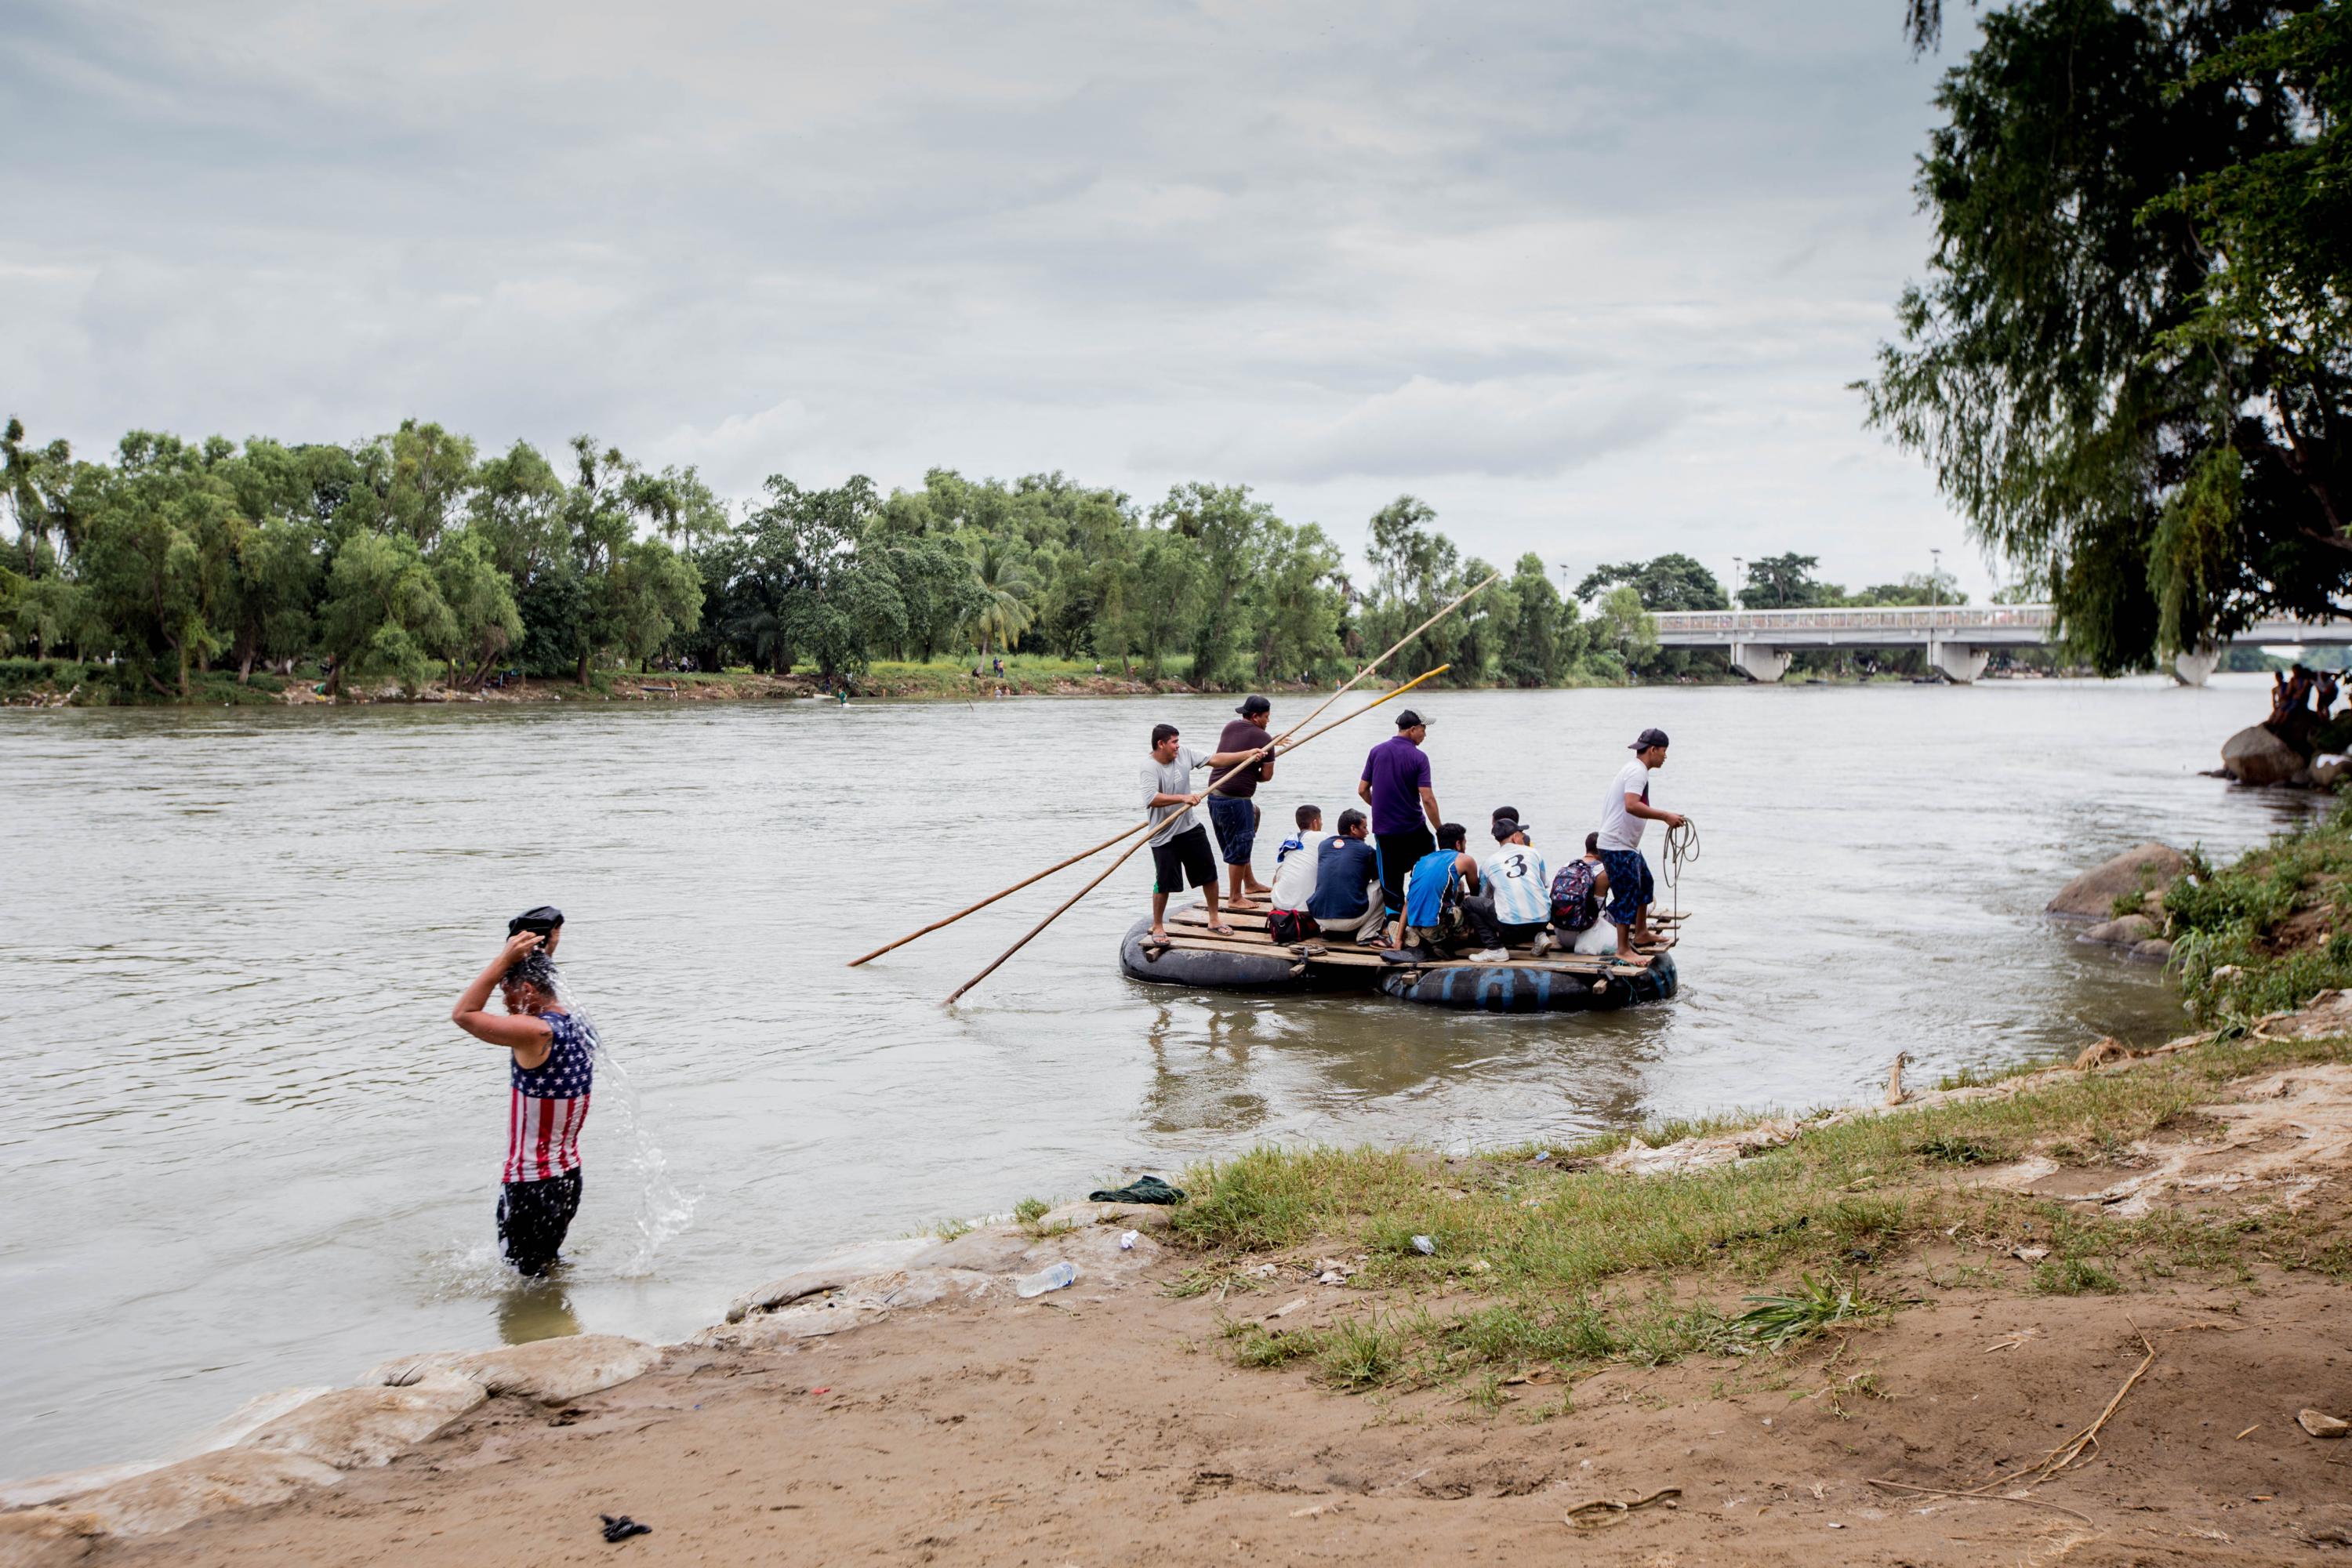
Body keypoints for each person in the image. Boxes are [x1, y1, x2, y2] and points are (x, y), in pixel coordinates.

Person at [451, 926, 596, 1278]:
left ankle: (535, 1330)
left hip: (531, 1184)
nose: (503, 1003)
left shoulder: (536, 1033)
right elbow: (541, 992)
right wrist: (542, 957)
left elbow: (464, 1014)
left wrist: (503, 960)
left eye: (506, 993)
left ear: (528, 990)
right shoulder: (575, 1022)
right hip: (567, 1178)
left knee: (524, 1278)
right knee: (546, 1268)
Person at [1142, 722, 1276, 942]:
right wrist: (1183, 798)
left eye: (1178, 741)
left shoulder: (1184, 754)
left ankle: (1214, 920)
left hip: (1189, 827)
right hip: (1163, 834)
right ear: (1161, 744)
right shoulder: (1149, 767)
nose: (1178, 746)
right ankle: (1158, 926)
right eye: (1174, 742)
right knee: (1164, 882)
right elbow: (1151, 798)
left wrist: (1247, 754)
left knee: (1209, 873)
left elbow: (1215, 759)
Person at [1598, 727, 1686, 968]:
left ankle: (1642, 932)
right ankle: (1623, 949)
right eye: (1664, 752)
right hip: (1617, 845)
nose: (1665, 757)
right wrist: (1665, 815)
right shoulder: (1637, 772)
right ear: (1654, 750)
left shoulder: (1636, 770)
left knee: (1645, 882)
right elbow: (1631, 805)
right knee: (1627, 894)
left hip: (1627, 845)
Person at [1359, 709, 1443, 943]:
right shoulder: (1419, 757)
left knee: (1392, 885)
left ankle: (1395, 928)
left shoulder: (1376, 752)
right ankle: (1425, 922)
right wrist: (1440, 829)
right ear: (1413, 729)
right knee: (1428, 874)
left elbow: (1362, 790)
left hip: (1386, 833)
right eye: (1424, 730)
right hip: (1415, 831)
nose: (1425, 735)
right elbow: (1427, 798)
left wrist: (1381, 807)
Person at [1207, 695, 1279, 909]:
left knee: (1240, 842)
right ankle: (1235, 897)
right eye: (1266, 717)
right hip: (1235, 801)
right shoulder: (1265, 739)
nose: (1268, 721)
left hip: (1214, 796)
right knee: (1239, 845)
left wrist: (1249, 766)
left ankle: (1250, 884)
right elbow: (1267, 776)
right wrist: (1253, 770)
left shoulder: (1230, 727)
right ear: (1255, 716)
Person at [1387, 822, 1479, 961]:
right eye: (1464, 843)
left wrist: (1398, 941)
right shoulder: (1465, 860)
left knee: (1456, 884)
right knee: (1468, 906)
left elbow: (1408, 902)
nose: (1465, 847)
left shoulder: (1422, 861)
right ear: (1458, 844)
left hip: (1415, 923)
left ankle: (1415, 936)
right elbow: (1475, 894)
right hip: (1435, 927)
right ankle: (1442, 942)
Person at [1463, 817, 1551, 963]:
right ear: (1515, 837)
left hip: (1510, 927)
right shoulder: (1534, 853)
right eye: (1521, 834)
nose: (1523, 837)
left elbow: (1484, 897)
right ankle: (1539, 936)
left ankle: (1495, 948)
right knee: (1537, 896)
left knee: (1470, 903)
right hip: (1543, 920)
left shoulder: (1488, 863)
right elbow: (1544, 884)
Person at [1305, 808, 1389, 945]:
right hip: (1350, 920)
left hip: (1319, 917)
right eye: (1365, 827)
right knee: (1386, 884)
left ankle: (1328, 930)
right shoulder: (1366, 850)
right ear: (1353, 829)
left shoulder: (1324, 846)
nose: (1367, 832)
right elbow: (1377, 879)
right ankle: (1368, 934)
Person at [1552, 833, 1620, 956]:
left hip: (1561, 935)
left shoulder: (1567, 866)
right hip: (1590, 938)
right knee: (1636, 900)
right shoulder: (1604, 871)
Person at [1266, 804, 1323, 945]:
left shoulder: (1291, 840)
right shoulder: (1322, 837)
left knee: (1281, 870)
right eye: (1321, 820)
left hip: (1280, 905)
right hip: (1305, 911)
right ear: (1315, 823)